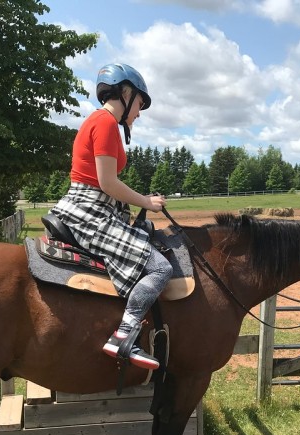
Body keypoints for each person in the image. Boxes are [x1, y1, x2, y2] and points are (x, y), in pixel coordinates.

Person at [49, 63, 172, 370]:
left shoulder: (103, 123)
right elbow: (107, 183)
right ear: (126, 93)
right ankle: (124, 336)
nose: (139, 113)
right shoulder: (104, 123)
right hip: (88, 211)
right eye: (140, 104)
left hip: (96, 207)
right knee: (159, 267)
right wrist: (146, 201)